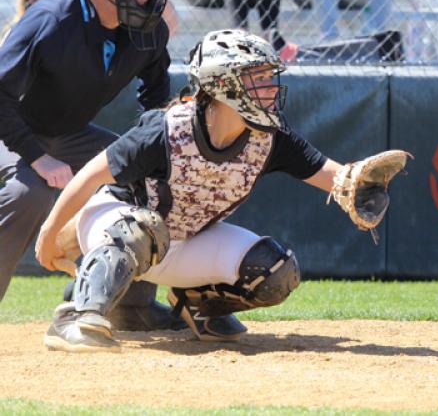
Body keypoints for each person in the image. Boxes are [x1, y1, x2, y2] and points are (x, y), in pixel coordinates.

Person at [34, 29, 407, 353]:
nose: (271, 88)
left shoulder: (268, 137)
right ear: (223, 84)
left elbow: (330, 174)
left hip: (184, 241)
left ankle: (196, 301)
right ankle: (79, 316)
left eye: (269, 78)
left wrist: (355, 183)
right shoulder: (167, 131)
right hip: (117, 221)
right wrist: (49, 236)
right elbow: (87, 178)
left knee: (275, 271)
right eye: (259, 78)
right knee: (143, 229)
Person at [0, 0, 184, 332]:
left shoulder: (147, 27)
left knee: (145, 178)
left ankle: (127, 305)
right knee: (28, 193)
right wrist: (36, 154)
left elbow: (155, 90)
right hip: (11, 130)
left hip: (69, 131)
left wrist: (146, 147)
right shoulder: (51, 20)